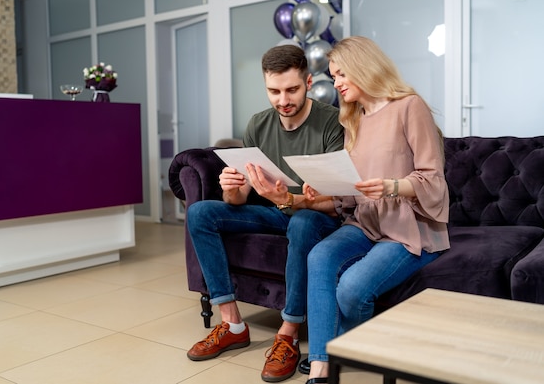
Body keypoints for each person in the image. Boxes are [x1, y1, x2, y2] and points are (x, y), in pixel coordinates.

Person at [186, 44, 345, 383]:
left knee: (301, 222)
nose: (282, 99)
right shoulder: (259, 123)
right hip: (274, 212)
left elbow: (339, 199)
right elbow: (239, 198)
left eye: (291, 89)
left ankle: (287, 335)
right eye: (274, 91)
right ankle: (232, 324)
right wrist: (230, 185)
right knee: (201, 213)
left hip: (315, 216)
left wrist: (290, 198)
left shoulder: (333, 122)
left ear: (308, 81)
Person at [301, 36, 450, 384]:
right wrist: (320, 190)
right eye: (332, 75)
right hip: (365, 222)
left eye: (340, 74)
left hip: (408, 225)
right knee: (320, 256)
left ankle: (356, 349)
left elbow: (434, 179)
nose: (335, 83)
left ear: (362, 68)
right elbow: (351, 196)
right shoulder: (353, 119)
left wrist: (391, 185)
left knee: (352, 290)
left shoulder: (409, 106)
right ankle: (322, 366)